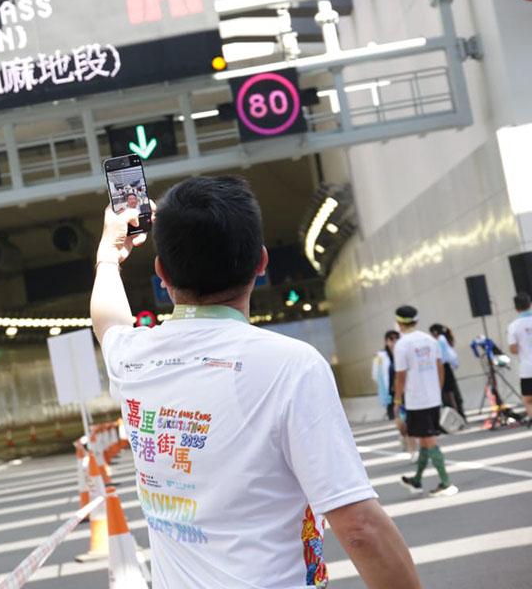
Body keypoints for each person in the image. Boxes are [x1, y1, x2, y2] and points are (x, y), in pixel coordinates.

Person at [91, 176, 419, 588]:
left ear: (161, 272)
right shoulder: (292, 367)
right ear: (261, 263)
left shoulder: (133, 359)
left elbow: (108, 321)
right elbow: (358, 529)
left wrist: (109, 254)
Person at [392, 306, 456, 496]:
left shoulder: (402, 345)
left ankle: (446, 482)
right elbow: (440, 367)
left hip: (416, 400)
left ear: (399, 323)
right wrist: (437, 390)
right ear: (416, 321)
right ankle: (417, 480)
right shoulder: (430, 340)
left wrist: (397, 400)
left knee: (428, 439)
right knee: (424, 440)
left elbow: (400, 376)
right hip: (433, 398)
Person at [373, 331, 417, 458]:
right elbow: (377, 376)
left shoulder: (405, 353)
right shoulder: (381, 358)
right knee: (401, 425)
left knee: (409, 424)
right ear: (386, 342)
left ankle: (412, 450)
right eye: (390, 339)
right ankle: (404, 437)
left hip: (407, 394)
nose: (393, 342)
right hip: (393, 395)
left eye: (396, 339)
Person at [428, 323, 464, 416]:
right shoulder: (443, 339)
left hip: (443, 367)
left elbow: (445, 355)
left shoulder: (440, 340)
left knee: (448, 393)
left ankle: (455, 414)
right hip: (446, 366)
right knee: (451, 392)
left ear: (435, 332)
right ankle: (458, 412)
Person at [506, 292, 532, 421]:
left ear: (516, 308)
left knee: (528, 399)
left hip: (528, 368)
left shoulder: (513, 326)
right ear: (530, 305)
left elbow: (513, 349)